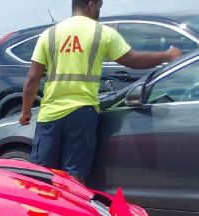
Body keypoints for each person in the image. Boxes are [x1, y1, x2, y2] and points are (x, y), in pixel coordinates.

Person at [19, 0, 182, 183]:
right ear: (91, 4)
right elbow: (133, 60)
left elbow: (32, 80)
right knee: (74, 175)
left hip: (49, 115)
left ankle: (48, 211)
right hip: (82, 113)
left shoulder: (49, 35)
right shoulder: (102, 33)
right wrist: (167, 56)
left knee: (43, 175)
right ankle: (76, 211)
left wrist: (26, 112)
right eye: (100, 5)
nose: (99, 10)